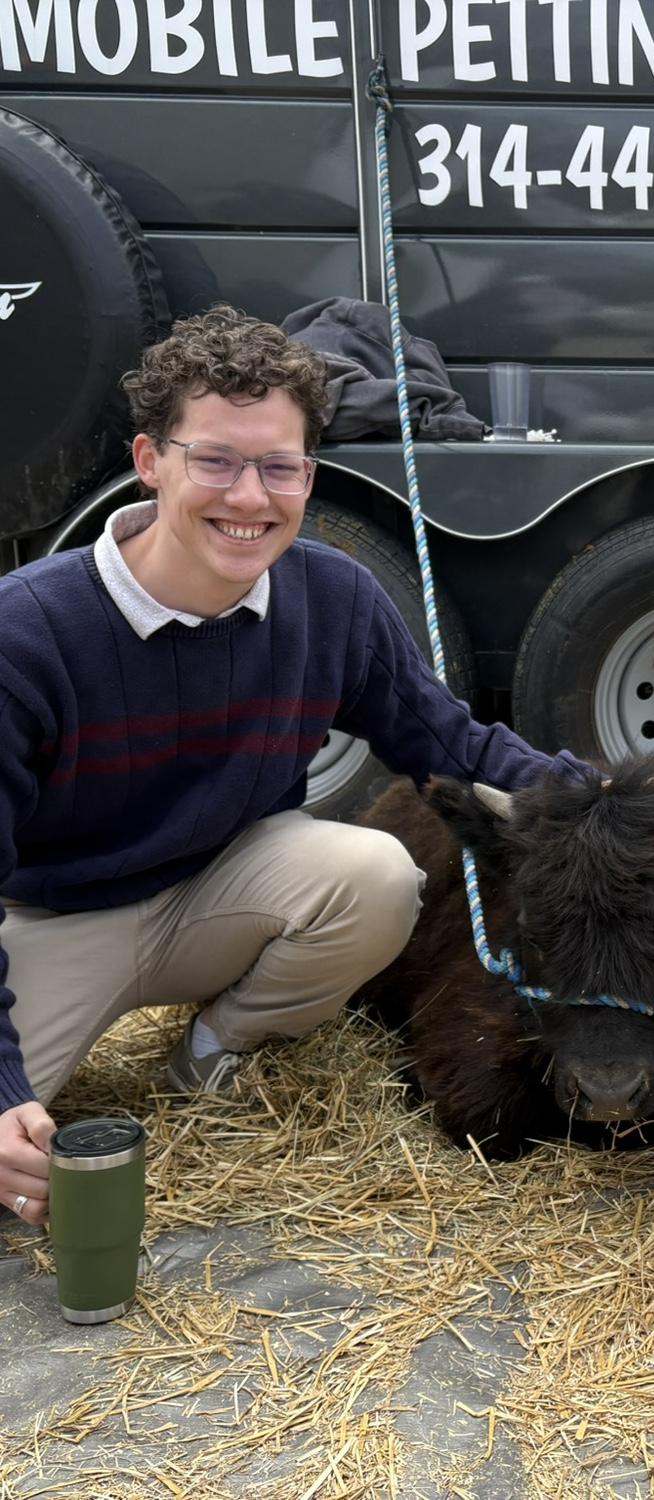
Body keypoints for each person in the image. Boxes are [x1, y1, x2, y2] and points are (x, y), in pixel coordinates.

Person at [0, 307, 585, 1229]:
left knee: (377, 873)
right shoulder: (26, 632)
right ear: (151, 461)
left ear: (309, 475)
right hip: (60, 918)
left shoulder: (333, 596)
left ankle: (218, 1045)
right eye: (217, 461)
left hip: (225, 890)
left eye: (279, 467)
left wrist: (606, 796)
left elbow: (452, 744)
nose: (249, 497)